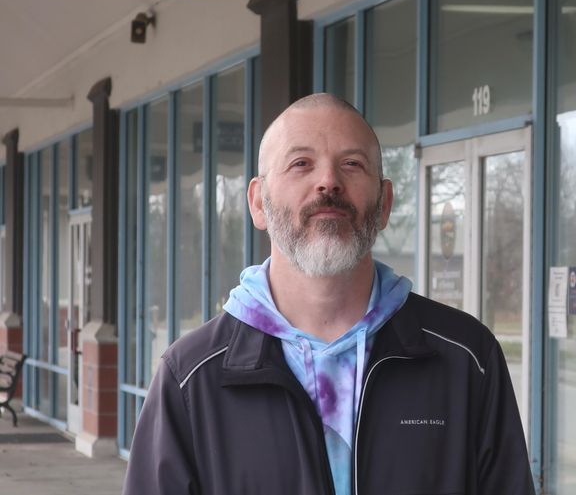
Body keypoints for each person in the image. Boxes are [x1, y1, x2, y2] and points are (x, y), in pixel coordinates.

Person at [122, 93, 534, 495]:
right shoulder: (191, 377)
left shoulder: (466, 358)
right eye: (301, 163)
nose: (328, 182)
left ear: (385, 203)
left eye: (352, 164)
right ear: (258, 203)